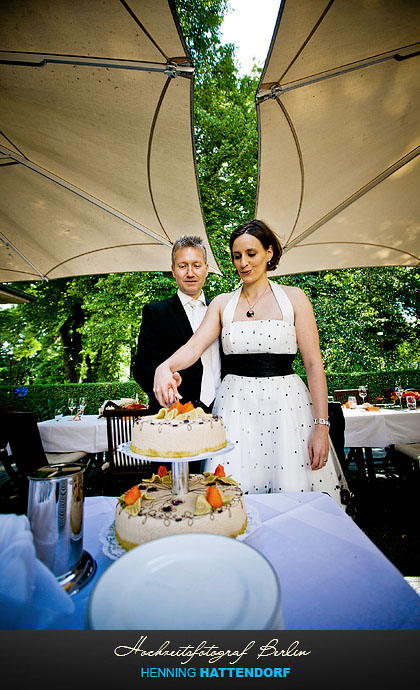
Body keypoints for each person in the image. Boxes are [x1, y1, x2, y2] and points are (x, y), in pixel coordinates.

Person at [153, 219, 350, 508]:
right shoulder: (222, 303)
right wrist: (164, 367)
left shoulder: (295, 298)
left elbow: (312, 364)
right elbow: (193, 348)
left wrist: (321, 426)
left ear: (269, 253)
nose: (243, 263)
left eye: (251, 253)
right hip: (236, 410)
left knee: (292, 498)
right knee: (232, 497)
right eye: (237, 256)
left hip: (288, 410)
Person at [134, 235, 221, 415]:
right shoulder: (155, 312)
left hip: (222, 409)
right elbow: (143, 368)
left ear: (206, 269)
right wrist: (167, 387)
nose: (190, 273)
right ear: (173, 270)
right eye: (183, 266)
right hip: (173, 414)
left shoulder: (221, 311)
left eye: (196, 266)